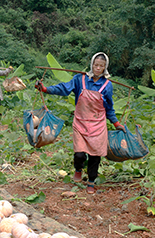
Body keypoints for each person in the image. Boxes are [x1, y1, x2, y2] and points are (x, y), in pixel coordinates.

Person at [35, 52, 126, 194]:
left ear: (105, 67)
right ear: (92, 64)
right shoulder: (80, 79)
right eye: (96, 65)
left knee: (95, 155)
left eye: (101, 66)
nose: (98, 68)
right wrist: (45, 89)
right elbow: (63, 89)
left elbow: (109, 107)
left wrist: (116, 123)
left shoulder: (107, 85)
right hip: (80, 122)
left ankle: (91, 181)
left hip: (97, 124)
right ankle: (78, 169)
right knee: (79, 154)